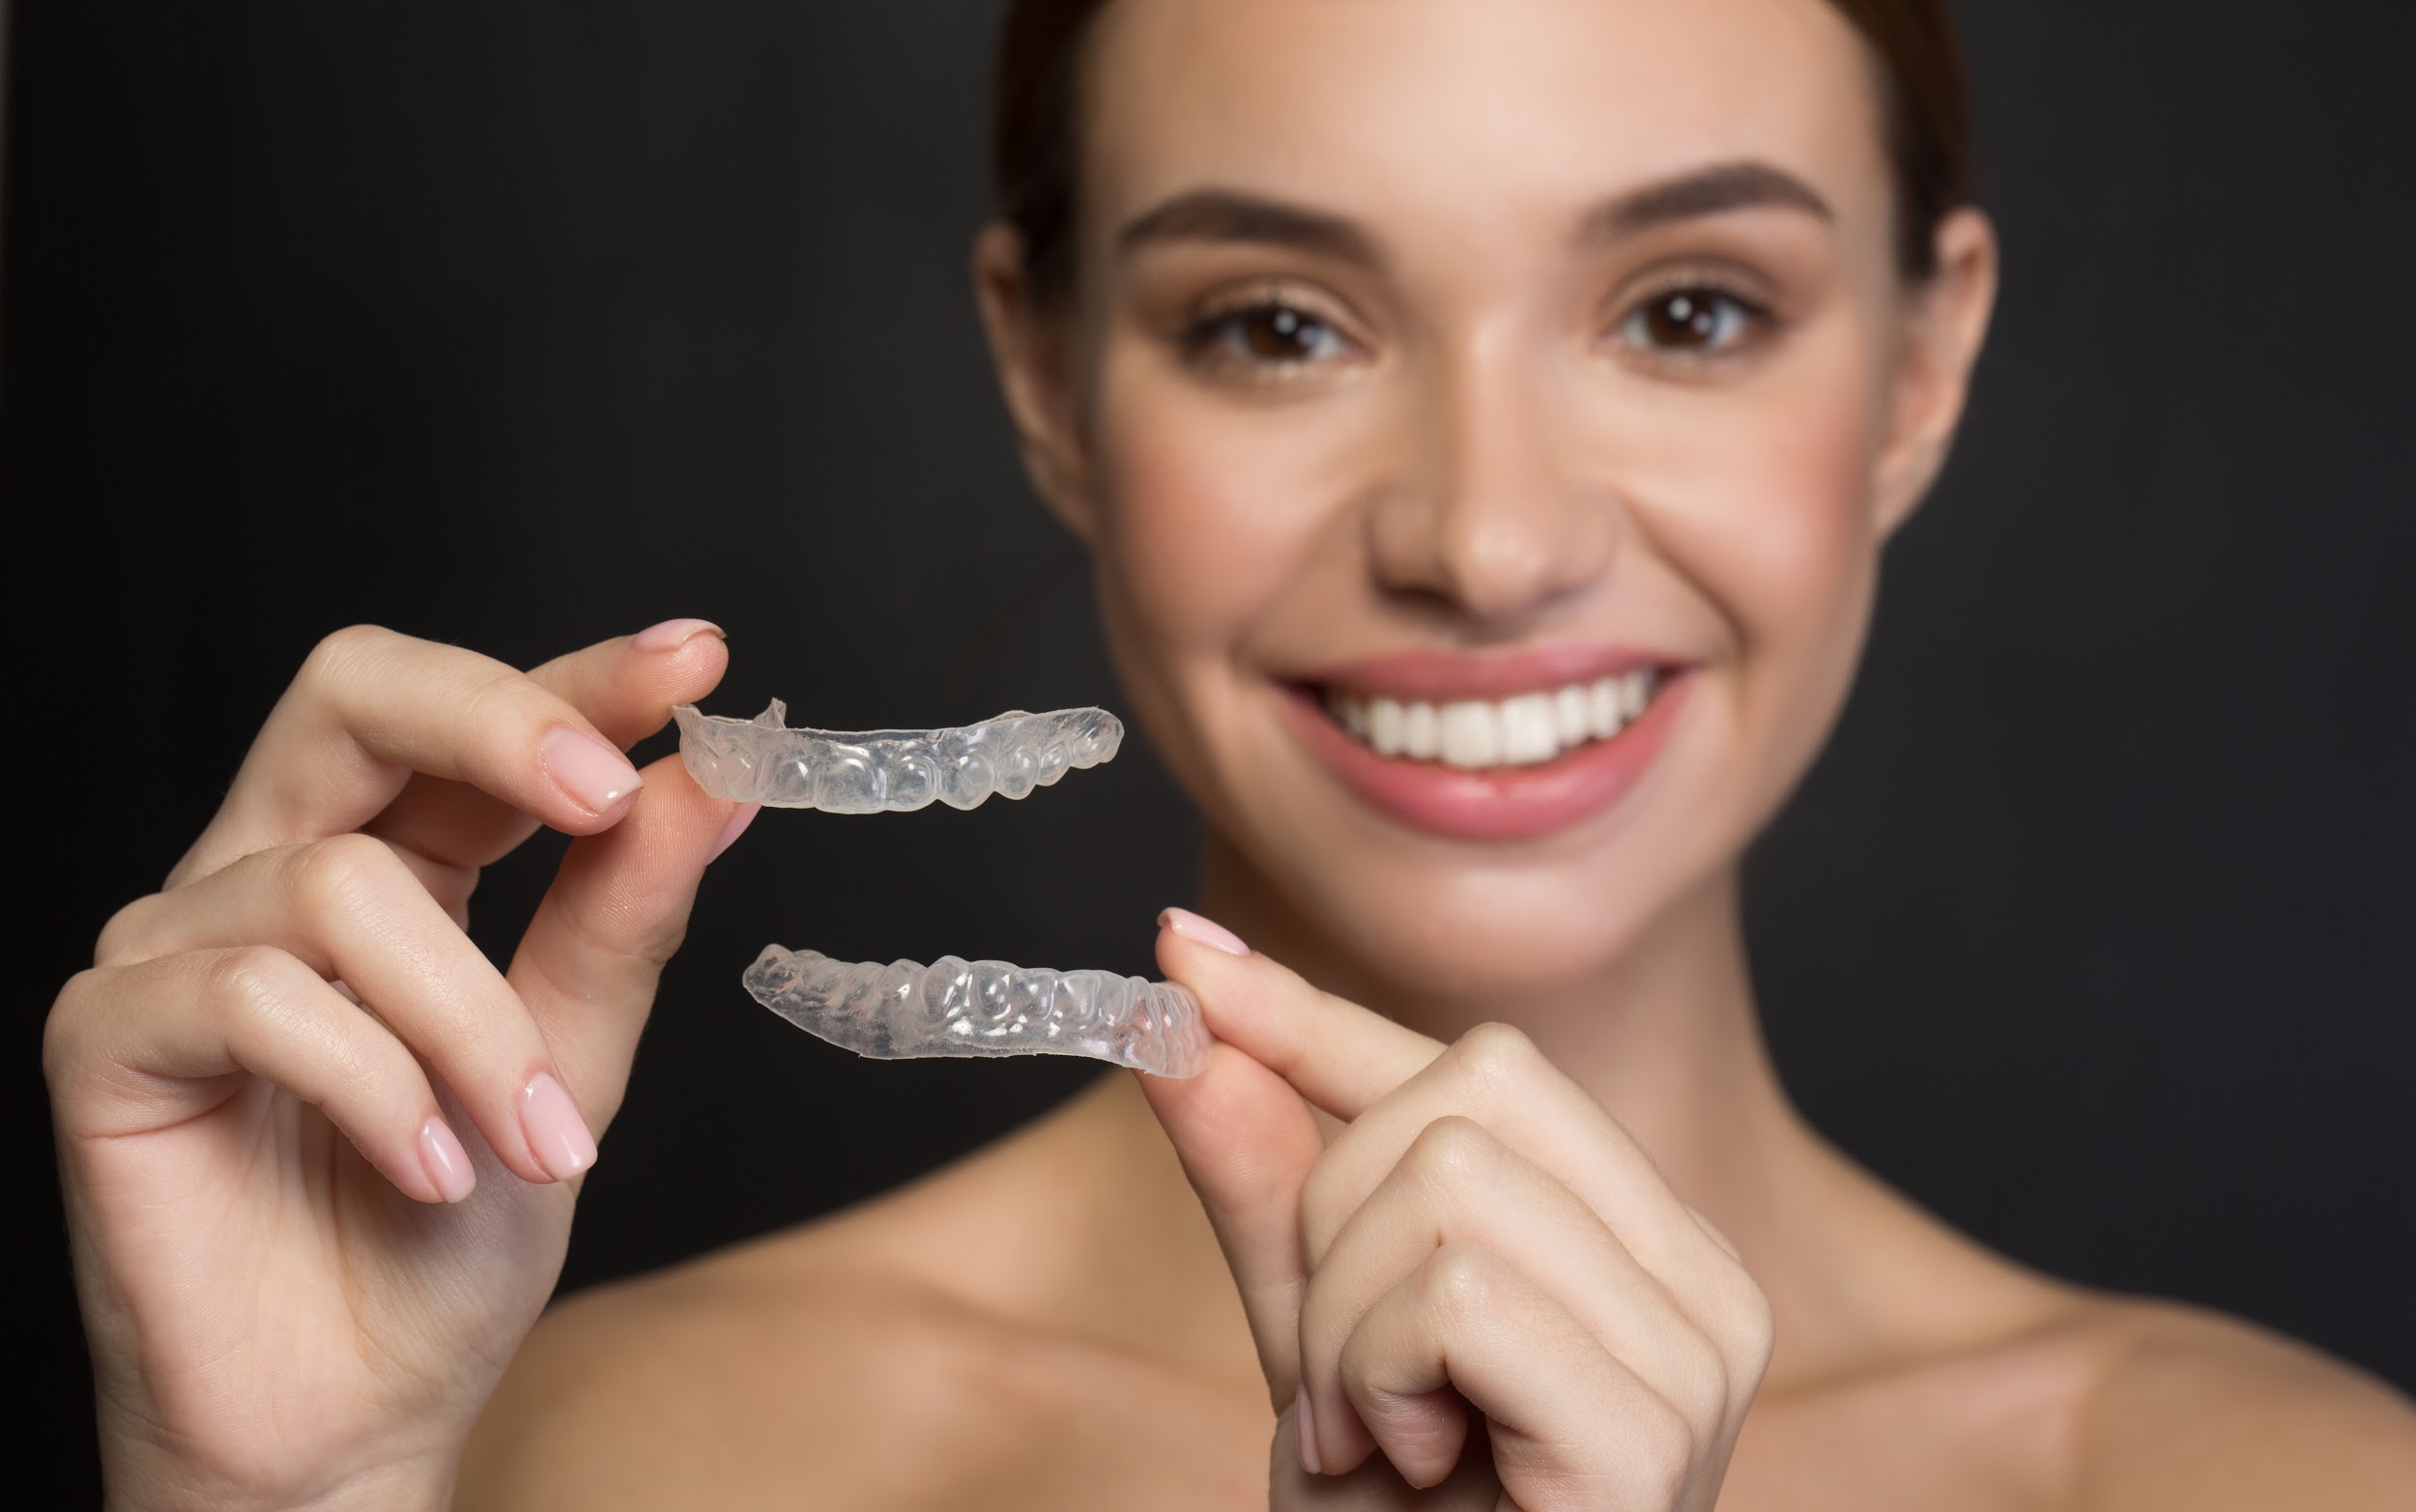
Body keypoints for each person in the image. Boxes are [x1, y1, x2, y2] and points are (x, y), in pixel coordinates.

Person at [45, 0, 2416, 1506]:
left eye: (1686, 311)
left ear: (1917, 363)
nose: (1484, 542)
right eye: (1277, 323)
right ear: (1046, 376)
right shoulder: (594, 1463)